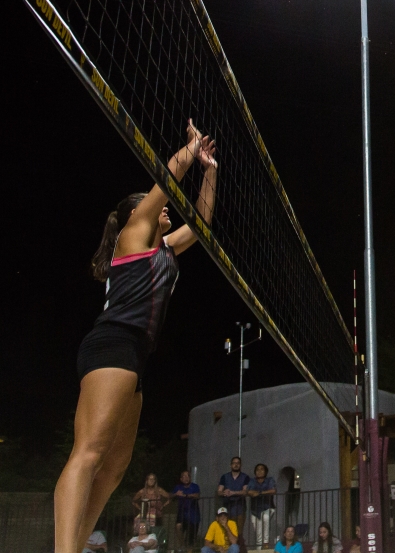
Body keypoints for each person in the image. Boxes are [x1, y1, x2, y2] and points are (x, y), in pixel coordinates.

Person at [55, 121, 217, 553]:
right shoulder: (132, 236)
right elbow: (165, 182)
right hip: (112, 342)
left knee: (111, 471)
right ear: (136, 215)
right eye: (154, 206)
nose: (165, 210)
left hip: (134, 357)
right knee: (89, 453)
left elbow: (200, 225)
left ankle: (73, 542)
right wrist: (188, 150)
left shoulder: (164, 249)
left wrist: (210, 169)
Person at [218, 457, 251, 536]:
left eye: (238, 463)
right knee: (227, 530)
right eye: (234, 463)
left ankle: (239, 547)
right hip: (227, 506)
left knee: (239, 531)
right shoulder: (225, 477)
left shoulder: (245, 477)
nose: (236, 465)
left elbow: (245, 491)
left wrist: (233, 493)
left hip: (240, 506)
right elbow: (219, 491)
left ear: (240, 465)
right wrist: (224, 493)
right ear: (230, 465)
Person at [248, 463, 277, 548]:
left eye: (262, 469)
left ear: (265, 471)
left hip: (267, 506)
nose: (259, 471)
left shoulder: (269, 480)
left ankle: (266, 543)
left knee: (266, 517)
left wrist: (260, 493)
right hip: (255, 509)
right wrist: (258, 493)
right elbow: (249, 491)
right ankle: (259, 549)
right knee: (258, 530)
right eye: (257, 469)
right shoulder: (252, 481)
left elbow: (273, 490)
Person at [173, 470, 202, 553]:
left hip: (193, 515)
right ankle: (183, 546)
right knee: (178, 526)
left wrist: (186, 495)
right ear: (181, 479)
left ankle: (188, 549)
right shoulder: (178, 487)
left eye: (188, 476)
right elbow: (170, 496)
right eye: (184, 476)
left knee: (191, 539)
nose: (186, 478)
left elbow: (197, 495)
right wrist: (176, 494)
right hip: (182, 513)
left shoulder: (194, 486)